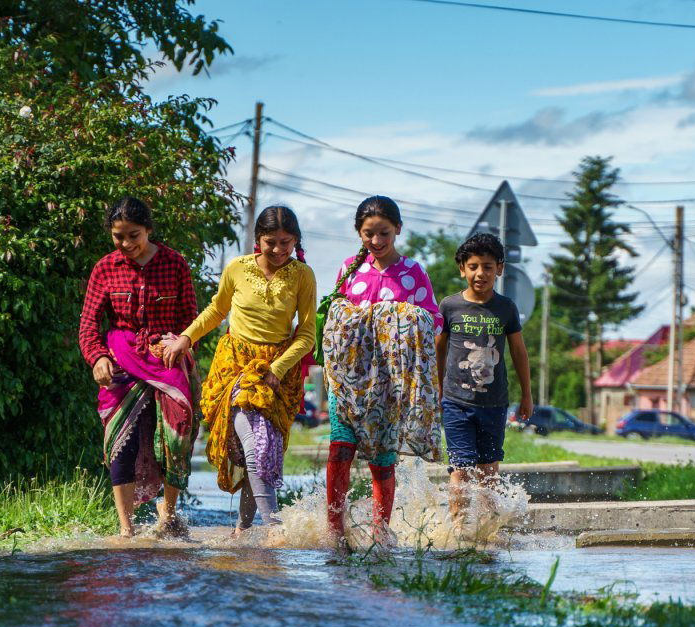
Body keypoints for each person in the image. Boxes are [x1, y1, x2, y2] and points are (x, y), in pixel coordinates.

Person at [162, 206, 316, 536]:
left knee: (259, 453)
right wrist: (186, 339)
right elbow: (217, 311)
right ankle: (276, 530)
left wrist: (278, 368)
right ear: (257, 240)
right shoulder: (237, 269)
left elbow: (306, 334)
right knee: (257, 446)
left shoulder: (303, 275)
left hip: (278, 370)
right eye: (270, 242)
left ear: (296, 241)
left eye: (286, 242)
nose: (278, 250)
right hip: (235, 366)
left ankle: (241, 533)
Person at [322, 196, 444, 553]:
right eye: (368, 233)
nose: (376, 241)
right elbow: (335, 315)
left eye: (383, 233)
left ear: (398, 230)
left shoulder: (413, 272)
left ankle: (379, 533)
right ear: (359, 233)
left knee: (381, 457)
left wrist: (398, 314)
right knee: (339, 449)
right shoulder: (349, 269)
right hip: (347, 380)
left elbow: (432, 318)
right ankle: (334, 531)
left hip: (389, 384)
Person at [79, 197, 199, 538]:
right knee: (121, 439)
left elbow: (191, 321)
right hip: (121, 358)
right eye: (119, 237)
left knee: (177, 431)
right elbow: (88, 324)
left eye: (134, 235)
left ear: (148, 230)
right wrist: (97, 357)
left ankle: (168, 516)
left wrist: (178, 341)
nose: (127, 244)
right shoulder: (105, 268)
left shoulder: (175, 264)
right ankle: (126, 527)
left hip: (167, 359)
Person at [436, 232, 533, 525]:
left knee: (489, 473)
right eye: (474, 266)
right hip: (455, 402)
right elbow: (438, 350)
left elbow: (518, 351)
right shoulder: (449, 306)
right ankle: (457, 532)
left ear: (499, 269)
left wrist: (527, 394)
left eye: (488, 266)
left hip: (494, 404)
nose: (481, 273)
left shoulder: (505, 308)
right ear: (462, 268)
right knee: (460, 470)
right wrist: (435, 390)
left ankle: (487, 534)